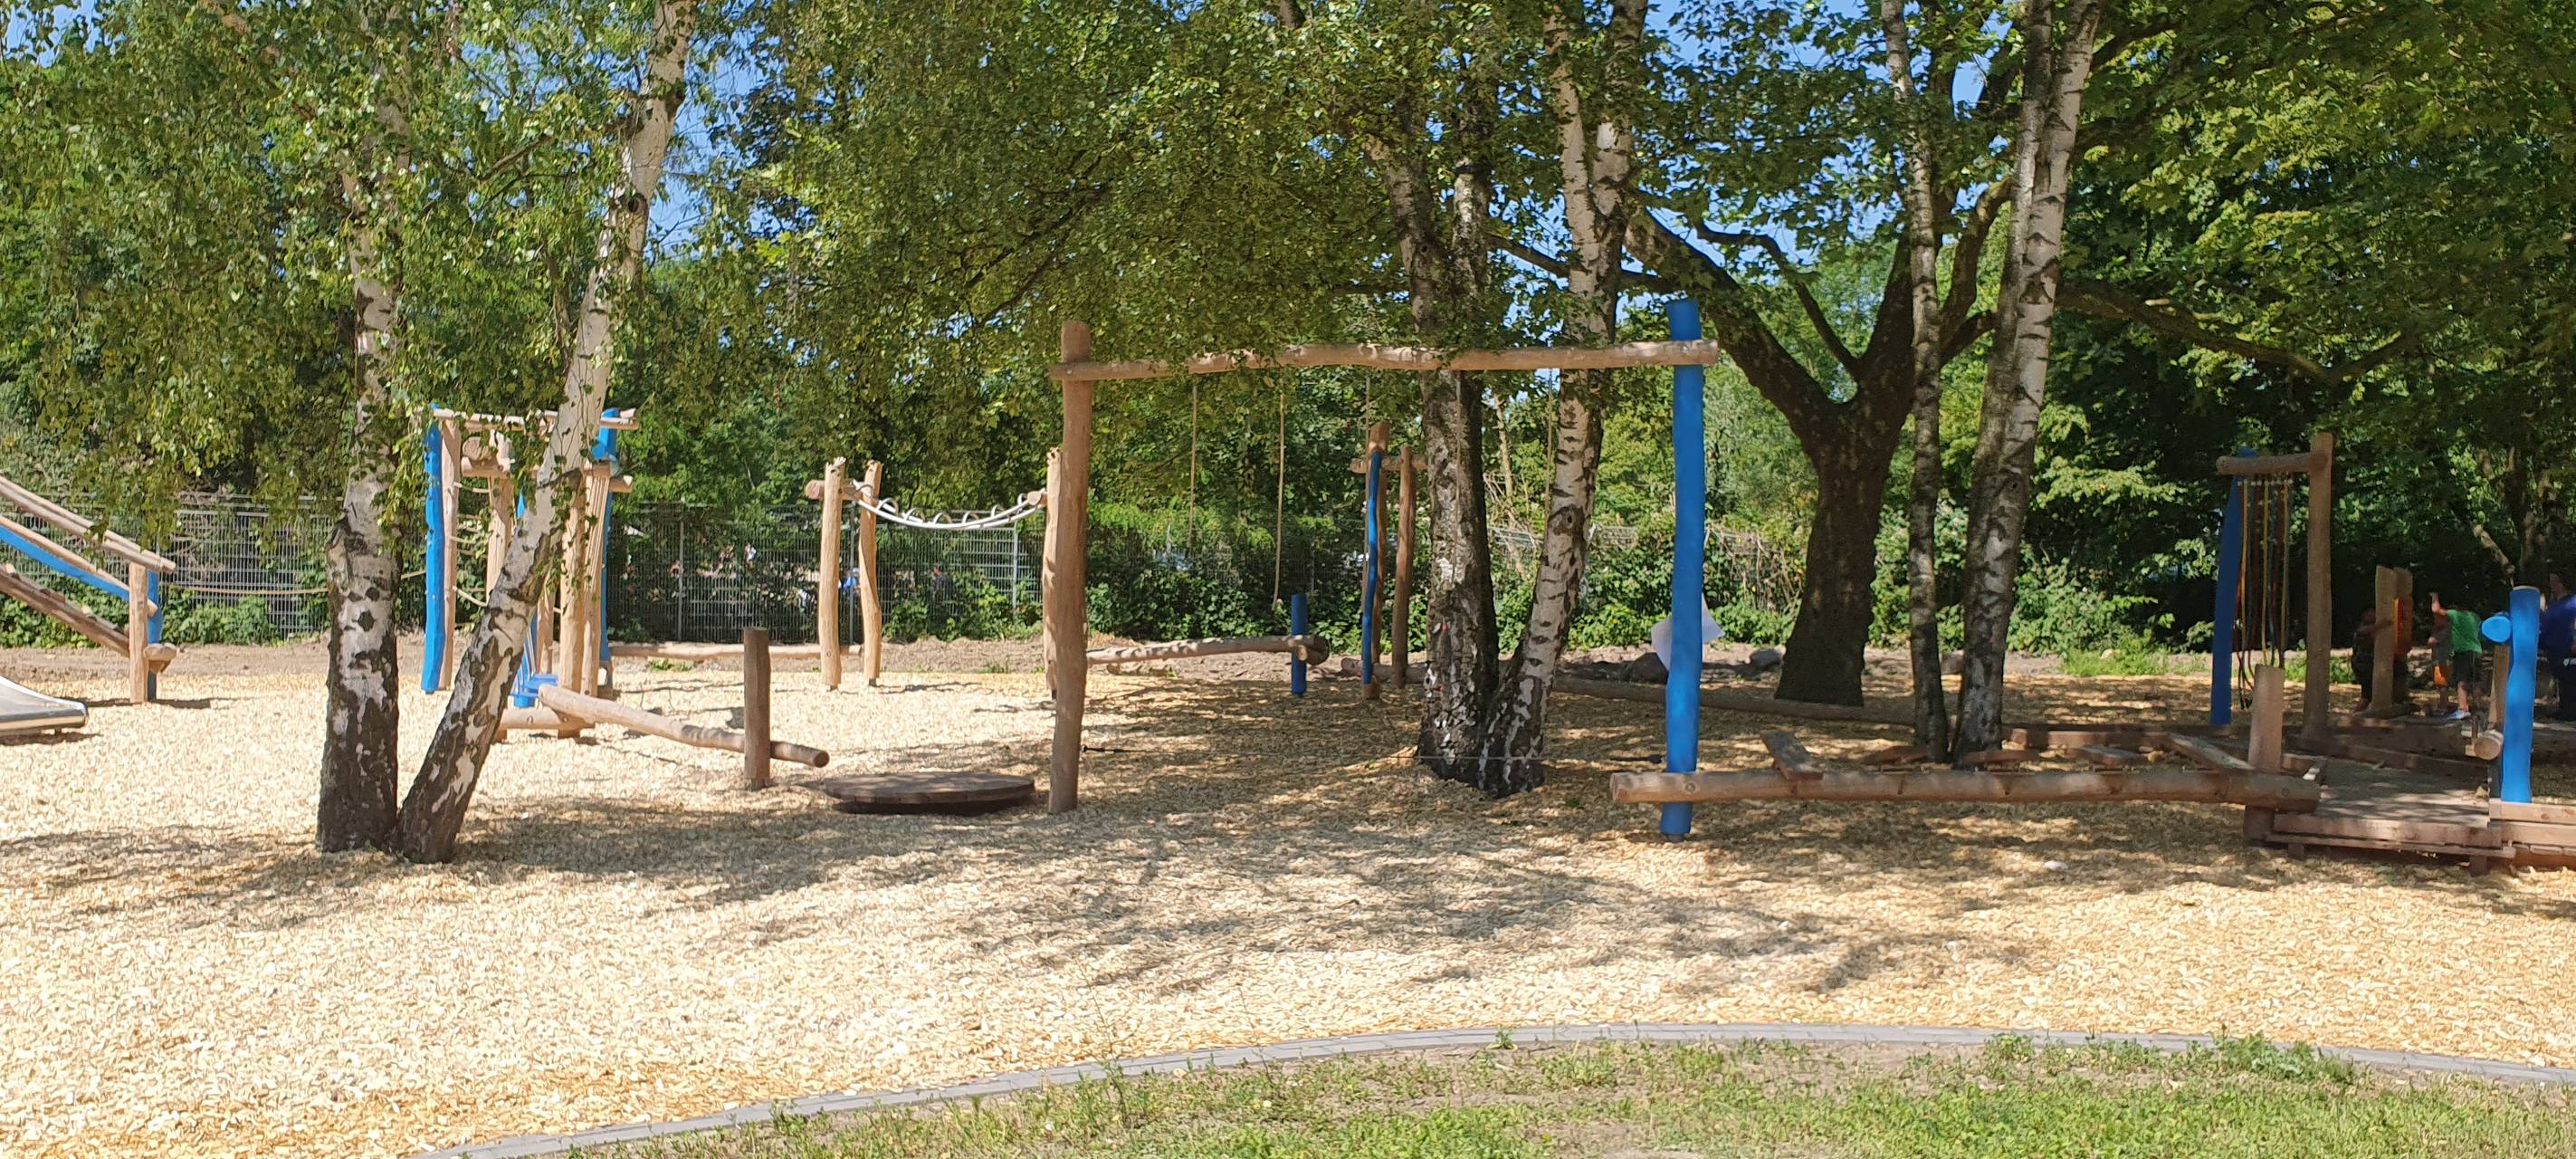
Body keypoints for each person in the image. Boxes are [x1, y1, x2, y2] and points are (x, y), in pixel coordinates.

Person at [2428, 590, 2484, 720]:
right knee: (2475, 680)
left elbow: (2436, 610)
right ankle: (2478, 708)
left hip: (2462, 651)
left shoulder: (2455, 614)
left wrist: (2434, 596)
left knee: (2461, 680)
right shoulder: (2475, 617)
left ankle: (2463, 709)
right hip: (2477, 650)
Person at [2543, 572, 2576, 722]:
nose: (2552, 584)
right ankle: (2564, 709)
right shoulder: (2554, 602)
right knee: (2562, 678)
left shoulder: (2573, 601)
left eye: (2554, 581)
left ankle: (2570, 711)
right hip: (2553, 647)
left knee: (2570, 678)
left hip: (2569, 646)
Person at [2352, 607, 2380, 705]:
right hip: (2362, 664)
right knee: (2366, 696)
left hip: (2368, 664)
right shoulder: (2362, 628)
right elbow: (2363, 631)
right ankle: (2355, 716)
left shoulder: (2373, 628)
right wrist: (2380, 625)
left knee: (2369, 696)